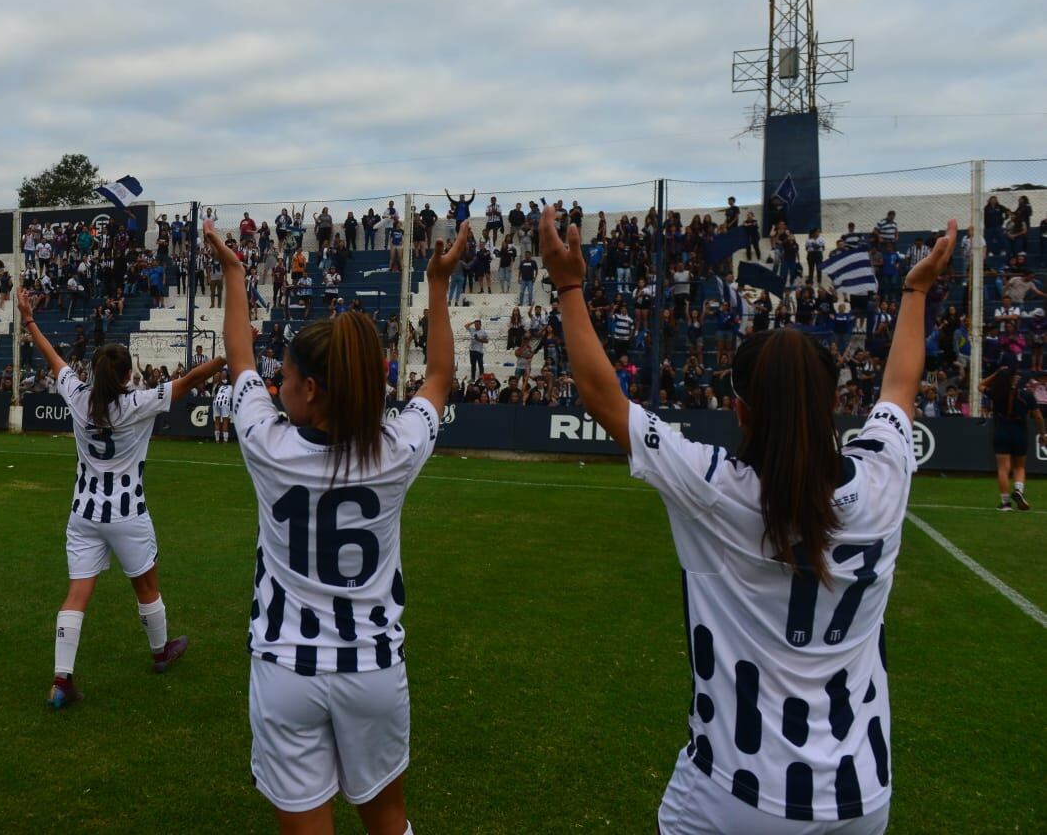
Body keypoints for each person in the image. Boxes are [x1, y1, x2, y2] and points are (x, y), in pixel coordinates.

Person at [539, 203, 957, 834]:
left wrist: (570, 286)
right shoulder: (883, 477)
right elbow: (899, 389)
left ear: (738, 411)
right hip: (862, 796)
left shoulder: (716, 489)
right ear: (833, 405)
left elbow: (603, 397)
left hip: (741, 794)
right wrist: (916, 289)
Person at [204, 216, 466, 835]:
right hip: (373, 667)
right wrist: (436, 286)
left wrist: (235, 272)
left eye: (288, 378)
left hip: (286, 667)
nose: (278, 385)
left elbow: (238, 355)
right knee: (388, 822)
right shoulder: (396, 450)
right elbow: (436, 379)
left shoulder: (267, 444)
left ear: (312, 389)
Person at [16, 288, 225, 707]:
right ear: (129, 375)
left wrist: (30, 320)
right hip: (127, 512)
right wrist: (228, 357)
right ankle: (161, 651)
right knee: (146, 584)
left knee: (77, 592)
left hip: (84, 512)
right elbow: (188, 381)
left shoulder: (78, 397)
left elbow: (52, 358)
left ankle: (61, 680)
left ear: (93, 373)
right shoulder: (139, 403)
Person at [979, 367, 1047, 511]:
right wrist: (1043, 434)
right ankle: (1018, 491)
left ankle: (1005, 503)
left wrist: (996, 373)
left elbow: (981, 385)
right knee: (1019, 467)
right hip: (1019, 432)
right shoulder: (1027, 395)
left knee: (1003, 468)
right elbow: (1038, 416)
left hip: (1001, 432)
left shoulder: (996, 393)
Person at [213, 370, 233, 443]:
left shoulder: (220, 386)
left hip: (216, 401)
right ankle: (225, 441)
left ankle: (217, 440)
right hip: (224, 401)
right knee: (225, 421)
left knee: (217, 421)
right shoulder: (232, 386)